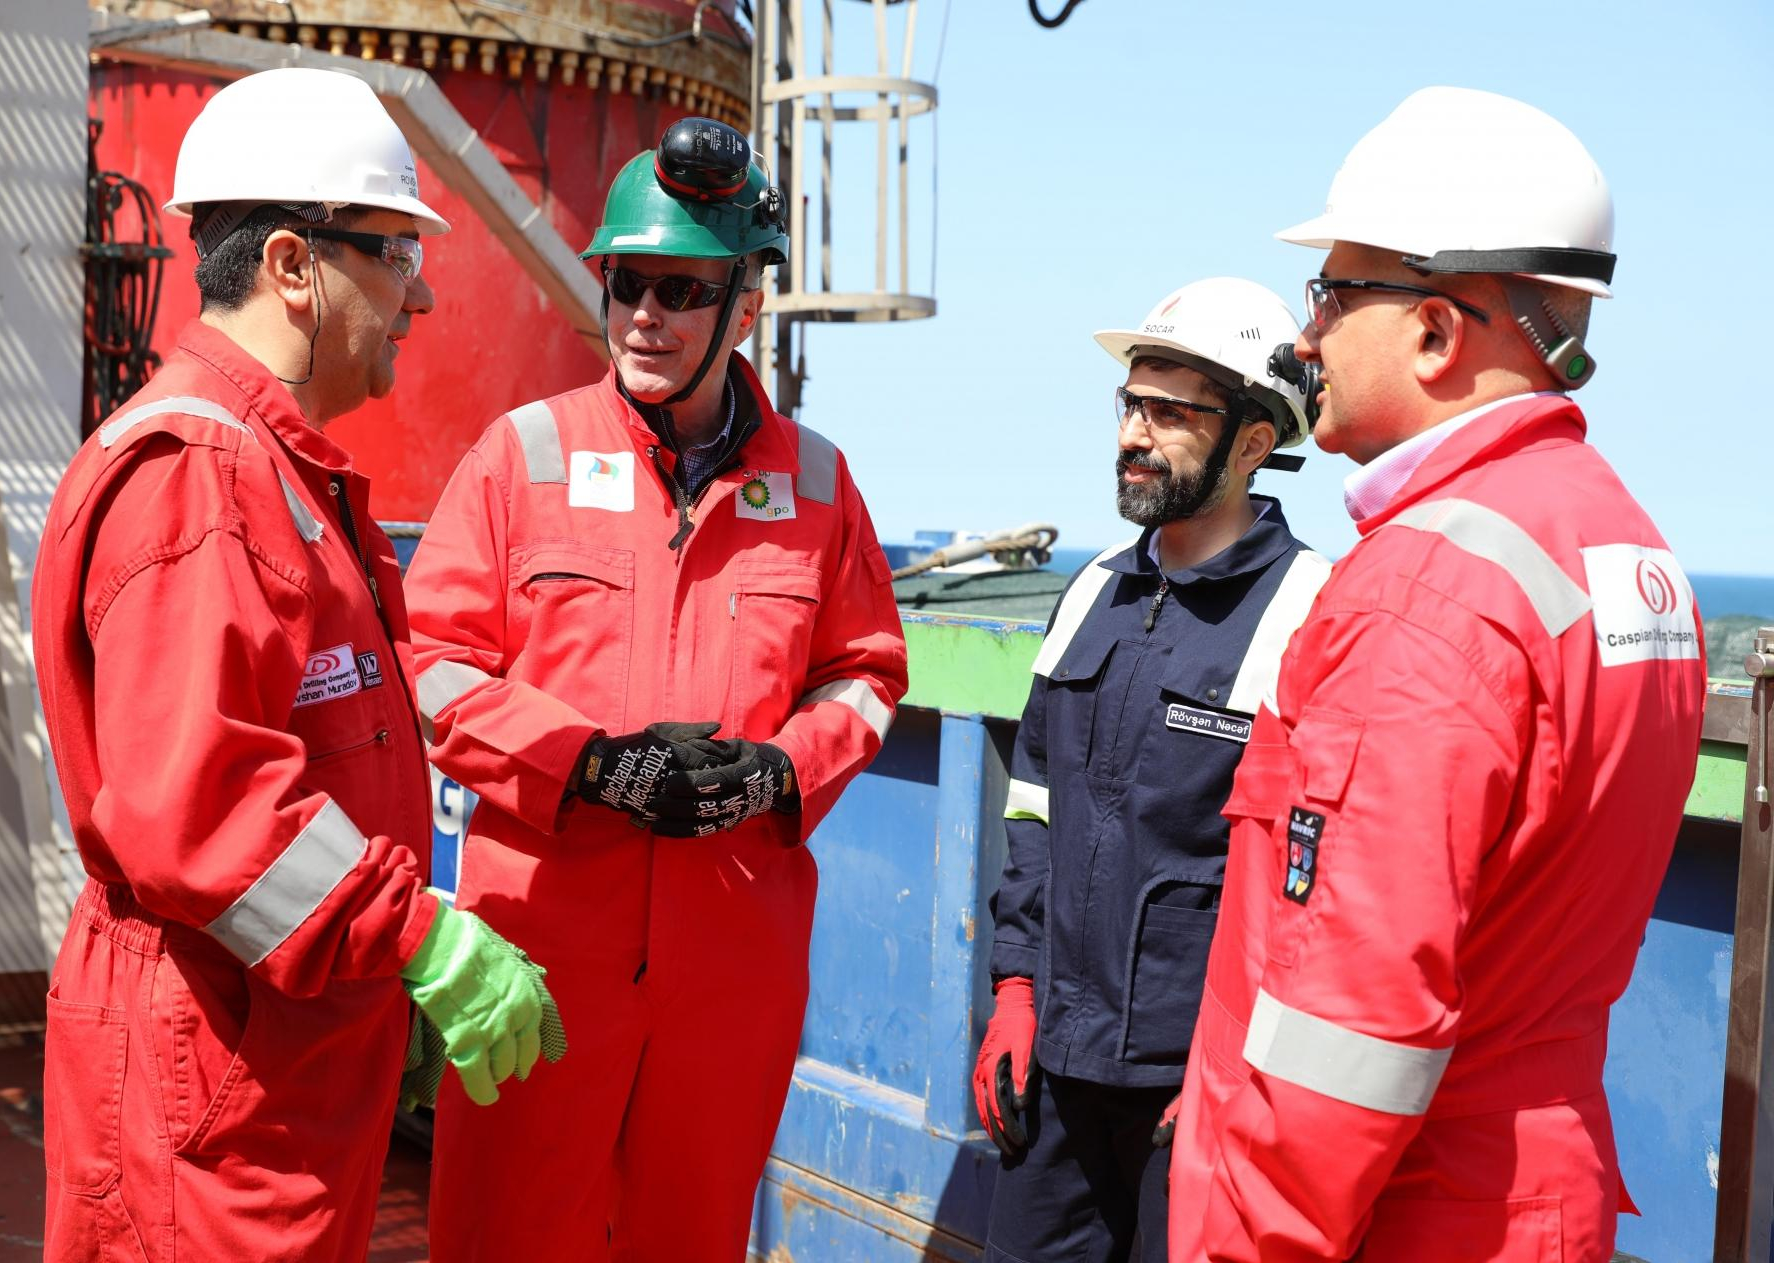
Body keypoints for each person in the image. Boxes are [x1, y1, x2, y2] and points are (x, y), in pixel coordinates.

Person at [1168, 87, 1707, 1263]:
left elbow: (1351, 1022)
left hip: (1401, 1215)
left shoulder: (1423, 593)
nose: (1304, 338)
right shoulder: (1625, 550)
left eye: (1332, 294)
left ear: (1434, 332)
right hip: (1534, 1197)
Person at [31, 68, 559, 1261]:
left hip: (268, 1058)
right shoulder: (203, 482)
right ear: (291, 265)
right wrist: (418, 941)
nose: (420, 291)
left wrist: (375, 977)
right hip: (211, 1084)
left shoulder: (273, 477)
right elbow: (201, 807)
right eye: (394, 253)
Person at [406, 115, 907, 1261]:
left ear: (747, 306)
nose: (643, 315)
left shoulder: (819, 486)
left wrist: (782, 771)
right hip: (540, 959)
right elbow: (430, 666)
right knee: (502, 1238)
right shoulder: (519, 458)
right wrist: (590, 766)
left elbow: (868, 672)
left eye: (680, 291)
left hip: (730, 968)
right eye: (626, 283)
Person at [974, 278, 1330, 1263]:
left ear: (1253, 443)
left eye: (1171, 412)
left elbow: (1312, 882)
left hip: (1195, 1091)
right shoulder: (1093, 590)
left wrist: (1236, 1066)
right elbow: (1034, 805)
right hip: (1055, 1069)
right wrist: (1014, 989)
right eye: (1131, 403)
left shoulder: (1311, 611)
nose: (1135, 431)